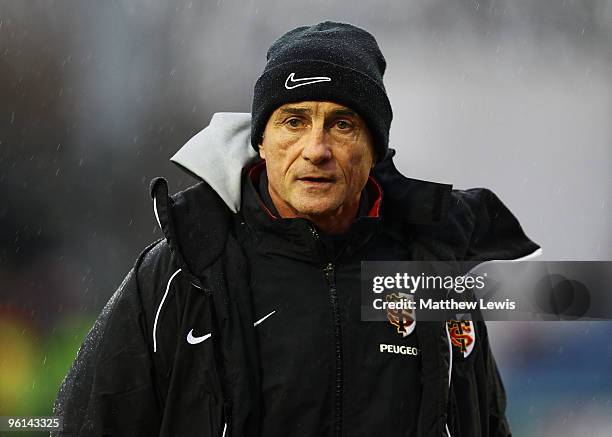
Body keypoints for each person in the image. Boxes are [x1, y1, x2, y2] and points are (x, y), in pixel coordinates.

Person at [53, 21, 540, 437]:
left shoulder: (432, 273)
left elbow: (488, 422)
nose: (316, 149)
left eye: (342, 125)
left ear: (375, 150)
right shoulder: (183, 271)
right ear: (261, 141)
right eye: (294, 122)